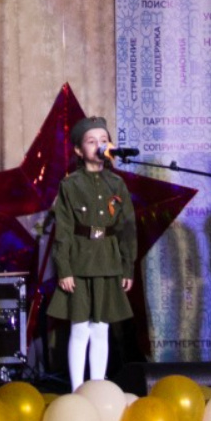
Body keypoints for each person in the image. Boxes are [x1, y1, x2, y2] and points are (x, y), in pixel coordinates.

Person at [46, 116, 137, 390]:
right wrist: (64, 269)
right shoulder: (70, 185)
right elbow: (63, 231)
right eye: (91, 141)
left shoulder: (117, 184)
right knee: (80, 328)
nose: (99, 145)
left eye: (104, 140)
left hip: (108, 261)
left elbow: (126, 229)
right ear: (78, 149)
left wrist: (127, 267)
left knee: (101, 328)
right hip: (80, 262)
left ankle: (96, 387)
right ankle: (77, 388)